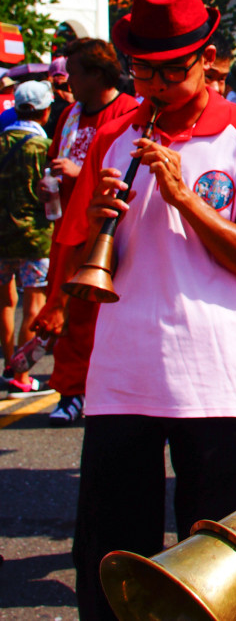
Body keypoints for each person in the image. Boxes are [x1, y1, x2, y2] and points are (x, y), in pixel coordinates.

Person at [59, 0, 236, 621]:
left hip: (211, 382)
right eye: (145, 71)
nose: (157, 84)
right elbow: (76, 255)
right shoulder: (114, 134)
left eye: (174, 70)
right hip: (120, 380)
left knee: (215, 566)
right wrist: (100, 218)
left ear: (209, 57)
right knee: (108, 559)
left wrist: (186, 200)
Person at [29, 38, 139, 424]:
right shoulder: (69, 115)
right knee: (70, 314)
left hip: (111, 230)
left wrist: (83, 173)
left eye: (73, 72)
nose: (66, 80)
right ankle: (71, 392)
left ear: (96, 74)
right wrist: (50, 184)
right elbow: (54, 159)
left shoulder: (129, 111)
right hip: (67, 228)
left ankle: (113, 391)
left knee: (108, 317)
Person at [0, 80, 54, 395]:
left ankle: (9, 365)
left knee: (6, 302)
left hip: (1, 237)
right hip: (35, 238)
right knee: (34, 302)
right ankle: (21, 374)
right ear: (44, 112)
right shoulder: (43, 147)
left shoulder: (2, 141)